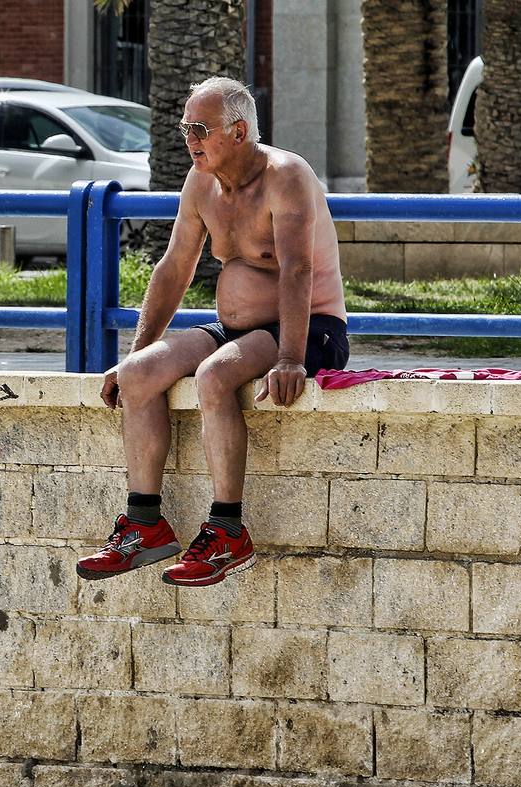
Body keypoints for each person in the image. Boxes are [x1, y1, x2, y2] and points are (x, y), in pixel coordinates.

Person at [76, 76, 349, 588]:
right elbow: (175, 266)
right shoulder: (201, 182)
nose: (189, 140)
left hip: (311, 330)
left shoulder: (285, 175)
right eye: (185, 128)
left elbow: (296, 269)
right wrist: (135, 351)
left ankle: (227, 531)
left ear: (239, 131)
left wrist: (291, 358)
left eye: (200, 129)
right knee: (138, 374)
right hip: (236, 329)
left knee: (214, 376)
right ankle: (145, 527)